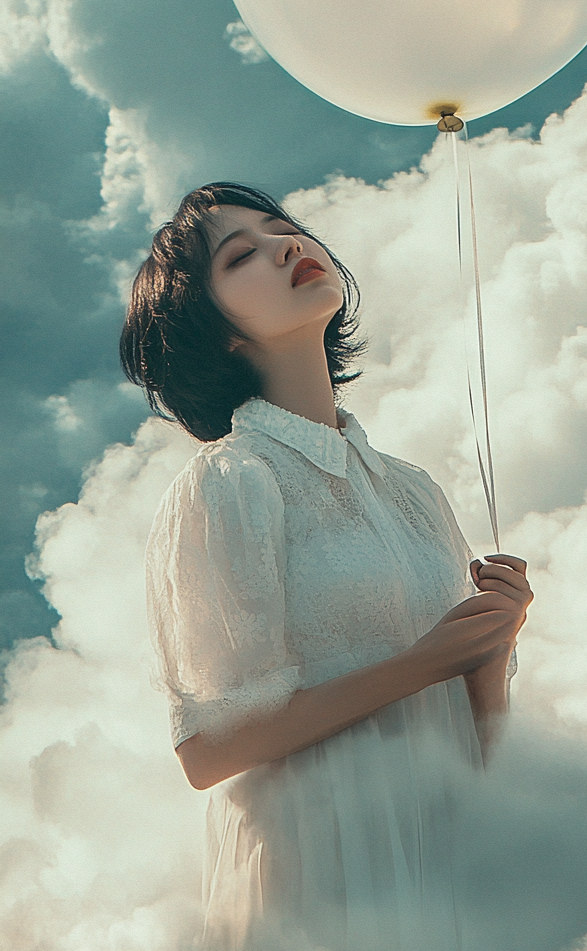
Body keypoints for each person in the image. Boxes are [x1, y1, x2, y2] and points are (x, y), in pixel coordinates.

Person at [121, 181, 533, 951]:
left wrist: (489, 656)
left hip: (447, 854)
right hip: (322, 864)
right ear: (220, 336)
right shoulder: (230, 482)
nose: (286, 245)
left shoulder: (413, 490)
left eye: (284, 228)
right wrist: (425, 662)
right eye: (242, 254)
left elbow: (482, 746)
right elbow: (210, 750)